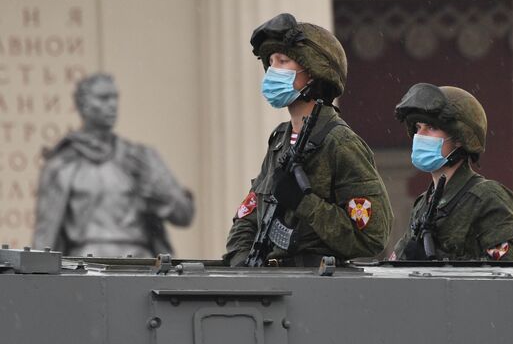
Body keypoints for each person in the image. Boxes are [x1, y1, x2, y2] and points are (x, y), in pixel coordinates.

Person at [223, 13, 393, 267]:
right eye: (270, 62)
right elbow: (250, 216)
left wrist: (306, 204)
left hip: (319, 285)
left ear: (313, 73)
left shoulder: (339, 142)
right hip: (272, 283)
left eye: (283, 61)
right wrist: (241, 262)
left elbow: (372, 236)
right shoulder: (280, 141)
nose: (273, 70)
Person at [32, 73, 195, 257]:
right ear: (83, 105)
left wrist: (158, 193)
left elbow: (184, 215)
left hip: (140, 264)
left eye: (115, 97)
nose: (112, 105)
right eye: (103, 98)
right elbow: (45, 236)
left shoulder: (141, 158)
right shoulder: (62, 164)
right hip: (85, 266)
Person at [390, 83, 513, 261]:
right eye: (418, 127)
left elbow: (508, 275)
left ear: (460, 138)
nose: (420, 135)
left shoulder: (487, 199)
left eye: (431, 128)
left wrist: (439, 265)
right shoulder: (423, 205)